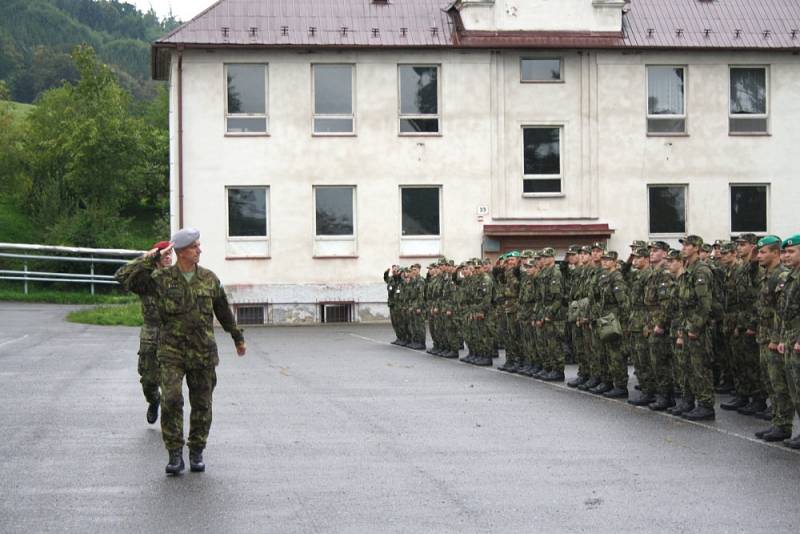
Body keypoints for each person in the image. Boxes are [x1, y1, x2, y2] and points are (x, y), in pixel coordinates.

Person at [115, 228, 246, 475]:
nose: (200, 250)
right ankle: (175, 454)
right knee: (171, 399)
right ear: (181, 252)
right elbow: (123, 276)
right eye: (195, 246)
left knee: (202, 404)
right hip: (171, 351)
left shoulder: (209, 278)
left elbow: (223, 311)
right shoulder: (162, 279)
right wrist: (152, 256)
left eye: (199, 245)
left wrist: (237, 338)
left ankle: (196, 451)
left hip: (202, 352)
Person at [116, 240, 172, 425]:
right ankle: (154, 400)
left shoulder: (178, 276)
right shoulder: (146, 280)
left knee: (171, 382)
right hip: (151, 332)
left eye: (170, 254)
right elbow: (121, 275)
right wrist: (147, 257)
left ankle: (170, 420)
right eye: (164, 254)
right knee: (148, 380)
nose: (168, 257)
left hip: (173, 333)